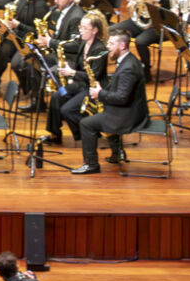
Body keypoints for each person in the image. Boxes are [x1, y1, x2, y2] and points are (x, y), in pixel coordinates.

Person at [73, 28, 148, 173]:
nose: (108, 47)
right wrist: (103, 90)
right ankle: (116, 153)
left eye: (111, 44)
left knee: (86, 124)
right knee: (98, 115)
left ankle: (91, 164)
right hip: (129, 109)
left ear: (122, 46)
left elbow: (121, 97)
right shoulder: (127, 60)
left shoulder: (129, 68)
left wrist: (100, 94)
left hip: (128, 116)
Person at [43, 10, 109, 147]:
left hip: (92, 88)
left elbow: (94, 76)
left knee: (67, 109)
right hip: (80, 83)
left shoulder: (100, 50)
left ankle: (90, 133)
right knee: (56, 96)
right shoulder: (84, 43)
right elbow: (80, 66)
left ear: (95, 30)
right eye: (80, 27)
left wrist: (72, 73)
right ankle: (55, 133)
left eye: (85, 28)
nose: (81, 31)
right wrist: (71, 73)